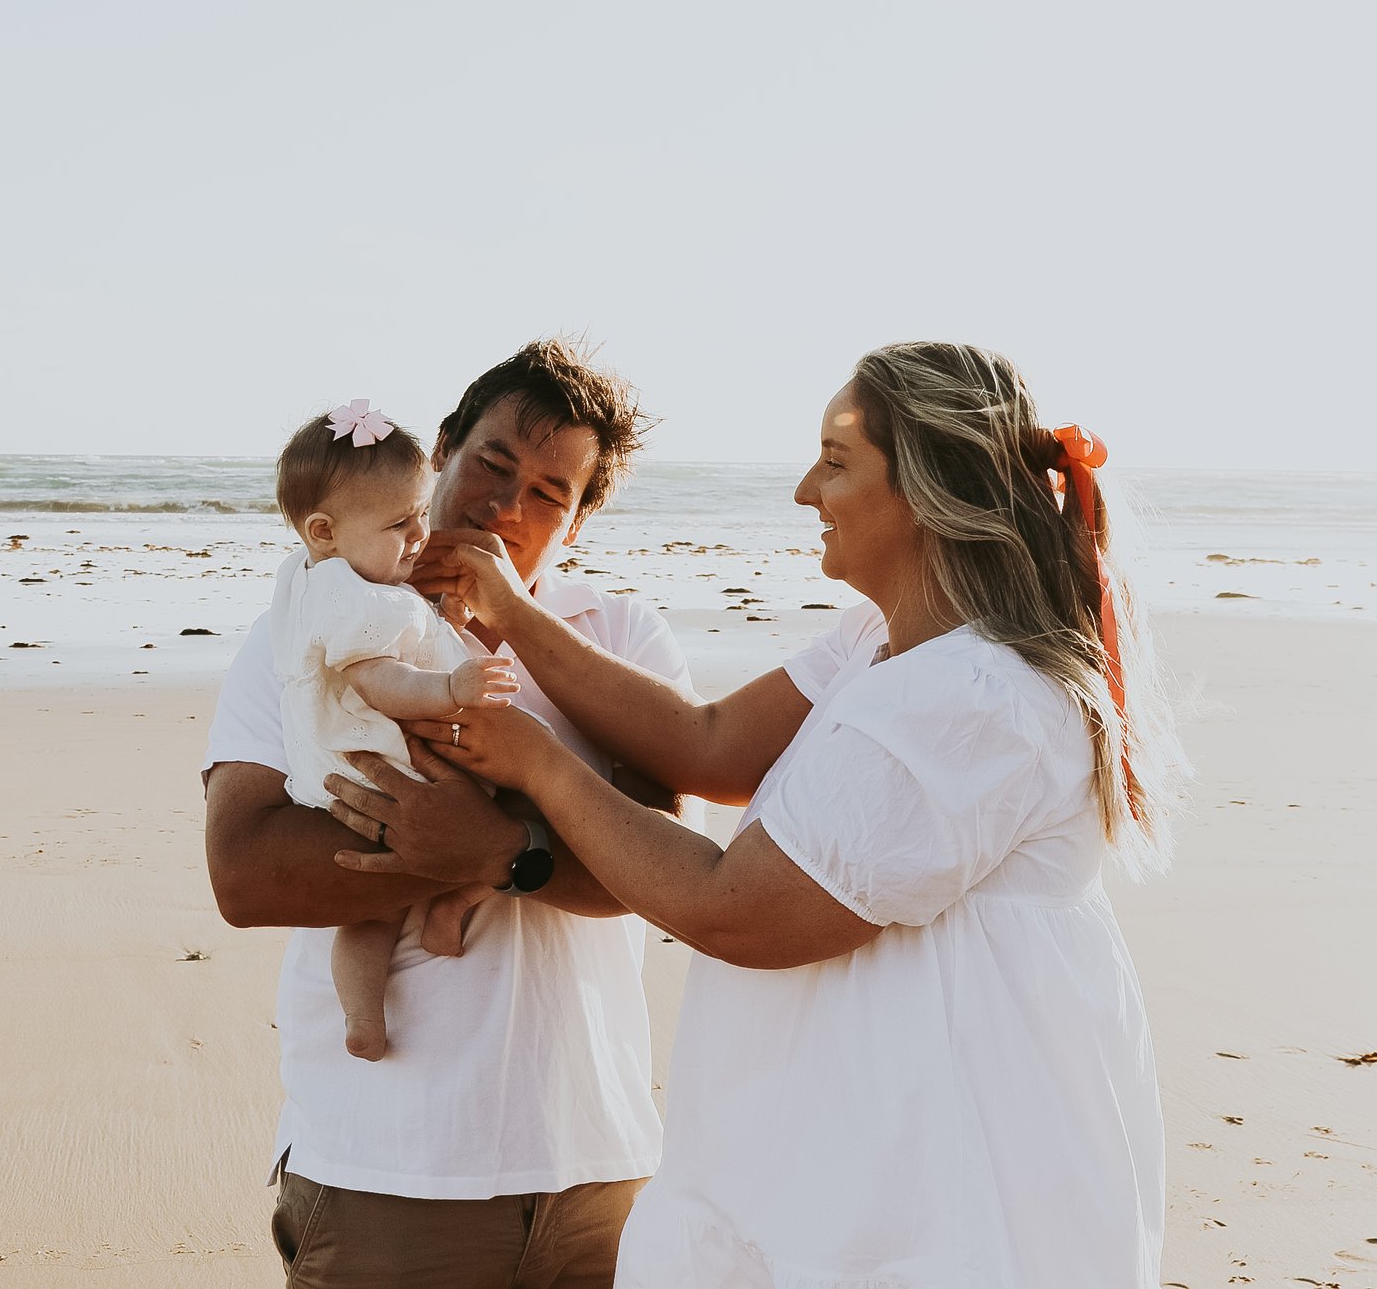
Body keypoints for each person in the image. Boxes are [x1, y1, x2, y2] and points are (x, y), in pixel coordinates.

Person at [361, 340, 1186, 1287]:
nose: (805, 490)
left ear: (929, 491)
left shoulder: (976, 699)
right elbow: (705, 743)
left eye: (835, 462)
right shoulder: (881, 639)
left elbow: (734, 909)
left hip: (936, 1175)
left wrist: (538, 763)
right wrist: (510, 612)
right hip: (840, 1147)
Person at [203, 339, 689, 1289]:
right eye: (492, 464)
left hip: (598, 1167)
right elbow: (244, 871)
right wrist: (448, 846)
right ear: (442, 452)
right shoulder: (312, 624)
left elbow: (666, 867)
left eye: (548, 493)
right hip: (386, 1166)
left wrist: (503, 849)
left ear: (579, 521)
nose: (506, 506)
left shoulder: (622, 640)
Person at [262, 400, 519, 1061]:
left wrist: (444, 615)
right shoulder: (348, 597)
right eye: (399, 523)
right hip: (388, 767)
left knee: (367, 915)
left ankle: (362, 1015)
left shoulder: (321, 579)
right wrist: (450, 689)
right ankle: (449, 906)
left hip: (344, 777)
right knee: (512, 816)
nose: (420, 534)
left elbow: (409, 631)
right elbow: (382, 681)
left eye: (421, 513)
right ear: (324, 531)